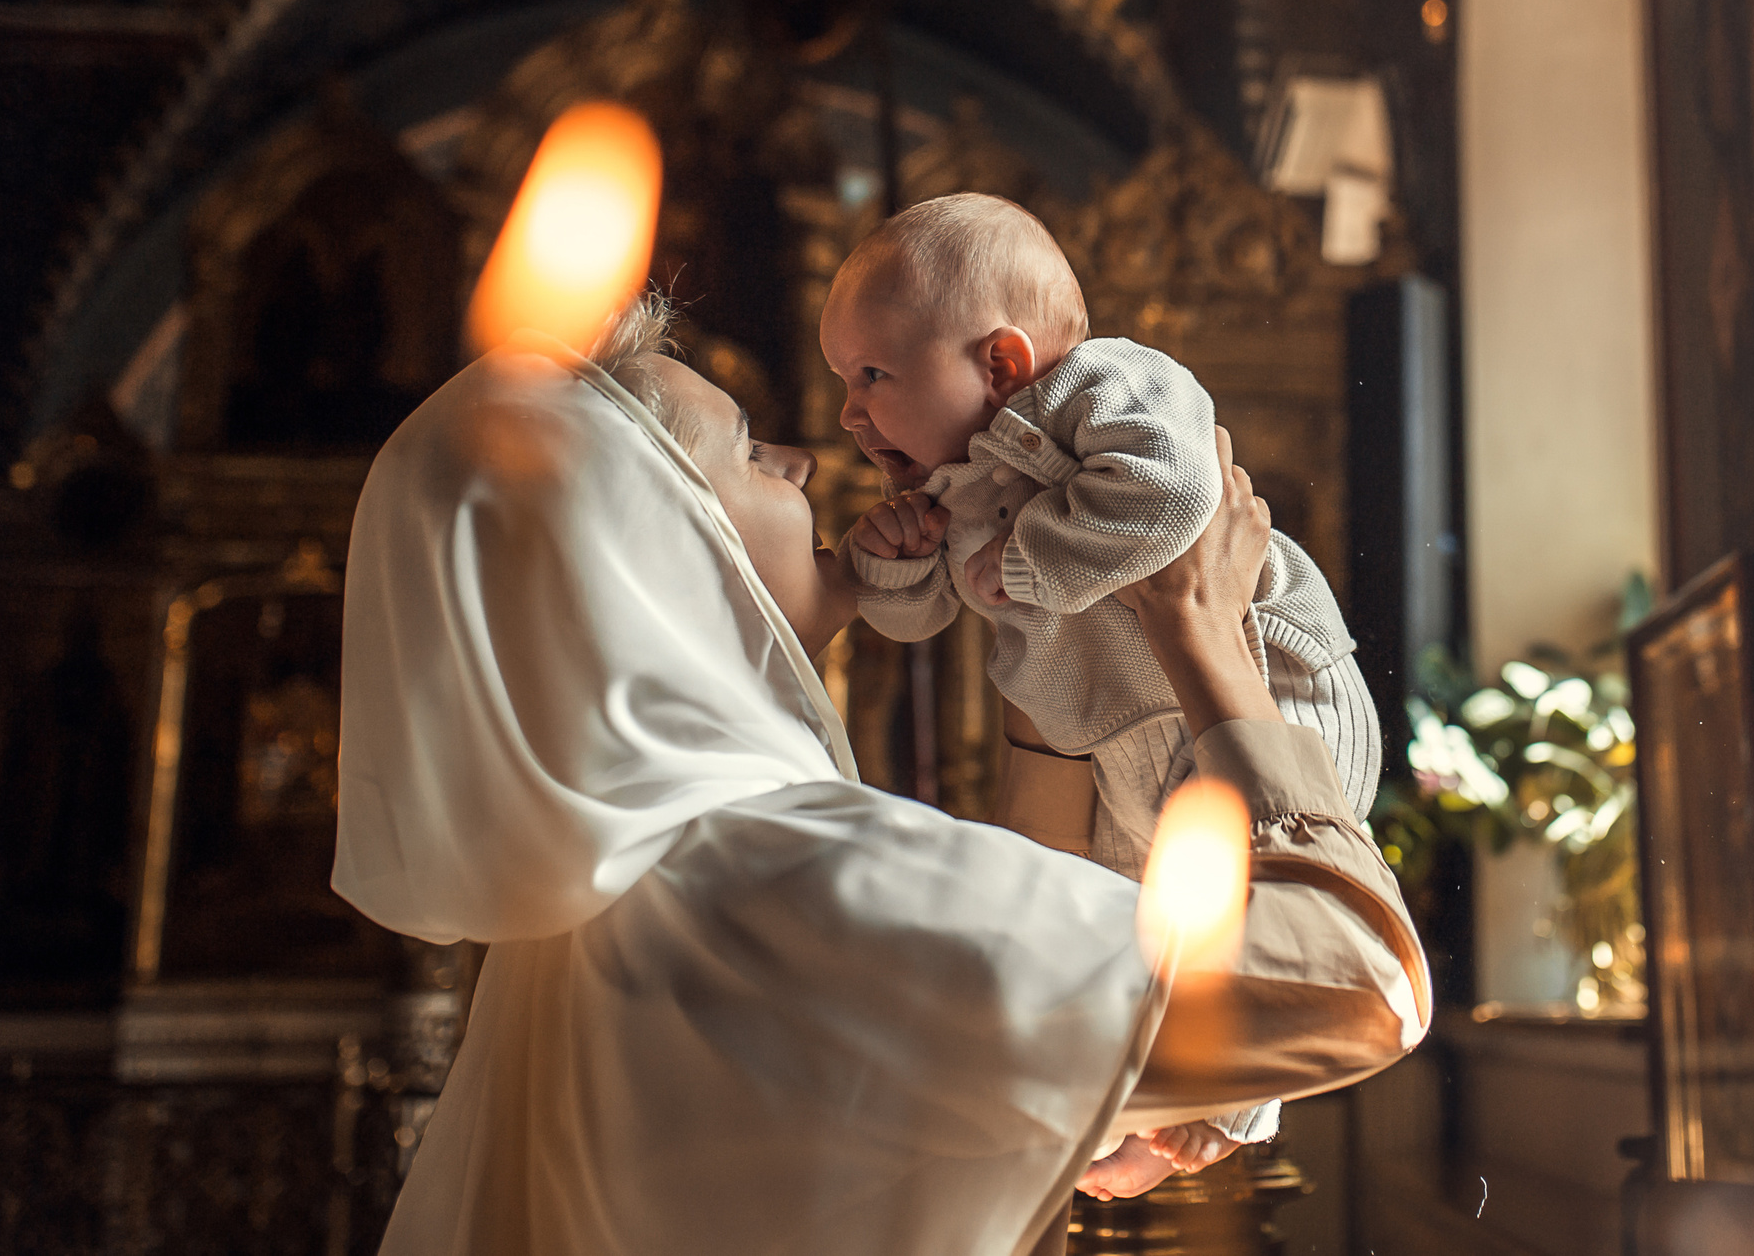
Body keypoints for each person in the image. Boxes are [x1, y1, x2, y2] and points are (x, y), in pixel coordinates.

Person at [331, 314, 1428, 1256]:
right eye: (753, 455)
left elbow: (1006, 991)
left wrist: (1050, 663)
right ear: (657, 552)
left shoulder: (610, 904)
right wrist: (1204, 639)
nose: (808, 464)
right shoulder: (768, 876)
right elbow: (1357, 987)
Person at [819, 193, 1385, 1183]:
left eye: (873, 375)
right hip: (1117, 735)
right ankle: (1141, 1111)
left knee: (1264, 893)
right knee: (1144, 927)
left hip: (1268, 677)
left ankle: (1241, 1104)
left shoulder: (1102, 386)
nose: (849, 413)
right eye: (843, 381)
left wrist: (1026, 566)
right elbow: (918, 621)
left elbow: (1171, 493)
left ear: (998, 363)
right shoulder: (950, 486)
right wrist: (899, 563)